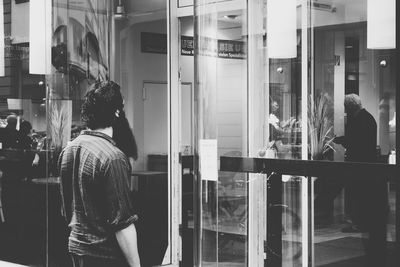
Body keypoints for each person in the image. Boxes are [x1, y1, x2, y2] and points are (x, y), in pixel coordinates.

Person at [58, 81, 141, 267]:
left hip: (77, 247)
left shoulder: (69, 150)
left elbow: (66, 209)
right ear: (117, 112)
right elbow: (122, 223)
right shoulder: (113, 157)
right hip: (105, 254)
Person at [333, 93, 387, 266]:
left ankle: (360, 221)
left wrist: (342, 140)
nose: (345, 110)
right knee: (360, 193)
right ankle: (360, 221)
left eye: (346, 107)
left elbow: (357, 142)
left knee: (359, 193)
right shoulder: (367, 118)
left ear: (351, 106)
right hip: (363, 164)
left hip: (361, 165)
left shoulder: (361, 119)